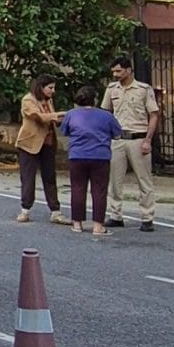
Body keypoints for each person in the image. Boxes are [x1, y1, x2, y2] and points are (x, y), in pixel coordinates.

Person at [101, 57, 161, 232]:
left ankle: (147, 217)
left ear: (128, 70)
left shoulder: (143, 89)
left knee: (144, 180)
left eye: (119, 71)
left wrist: (148, 140)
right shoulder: (112, 89)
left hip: (138, 138)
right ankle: (115, 215)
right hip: (118, 138)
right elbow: (106, 112)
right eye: (114, 71)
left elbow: (154, 114)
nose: (116, 74)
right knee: (115, 180)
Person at [57, 83, 123, 237]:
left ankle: (77, 223)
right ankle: (98, 226)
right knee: (99, 190)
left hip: (77, 155)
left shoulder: (71, 114)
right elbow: (117, 134)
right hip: (100, 156)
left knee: (78, 188)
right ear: (95, 99)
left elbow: (64, 131)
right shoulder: (106, 115)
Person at [14, 76, 66, 223]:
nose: (52, 91)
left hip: (47, 143)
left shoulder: (49, 101)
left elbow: (51, 119)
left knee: (49, 176)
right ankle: (25, 210)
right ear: (41, 87)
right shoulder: (28, 100)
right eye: (50, 88)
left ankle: (55, 211)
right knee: (28, 177)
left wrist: (61, 119)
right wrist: (60, 114)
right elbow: (39, 117)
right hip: (29, 144)